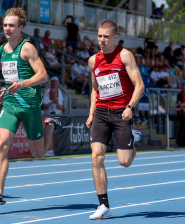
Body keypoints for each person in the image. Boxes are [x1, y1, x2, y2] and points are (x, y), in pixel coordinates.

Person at [0, 7, 61, 207]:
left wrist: (22, 84)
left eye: (12, 25)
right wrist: (8, 88)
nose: (7, 29)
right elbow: (11, 77)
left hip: (30, 104)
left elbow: (43, 75)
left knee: (38, 153)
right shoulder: (1, 50)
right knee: (1, 143)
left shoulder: (27, 48)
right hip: (10, 104)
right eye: (5, 25)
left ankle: (51, 126)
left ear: (21, 27)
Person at [85, 20, 144, 220]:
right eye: (99, 36)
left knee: (125, 162)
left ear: (115, 37)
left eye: (106, 36)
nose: (102, 40)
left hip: (122, 112)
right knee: (96, 156)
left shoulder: (125, 55)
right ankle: (104, 205)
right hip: (101, 111)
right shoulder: (93, 60)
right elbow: (94, 89)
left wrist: (130, 107)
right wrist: (91, 113)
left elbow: (139, 85)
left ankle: (132, 139)